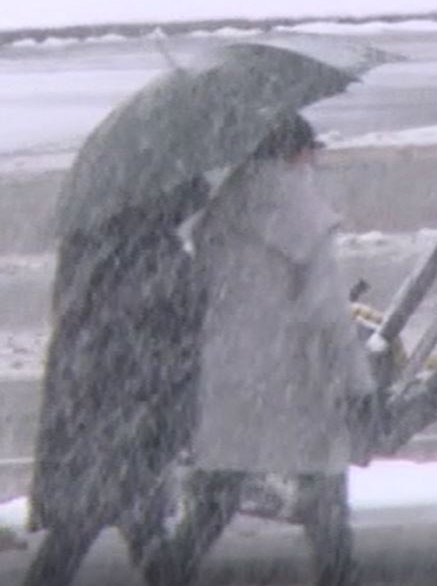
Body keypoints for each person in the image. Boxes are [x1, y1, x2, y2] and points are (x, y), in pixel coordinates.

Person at [165, 111, 375, 586]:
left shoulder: (223, 209)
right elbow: (326, 311)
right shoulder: (302, 211)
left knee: (217, 491)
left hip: (229, 369)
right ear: (295, 153)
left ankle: (169, 572)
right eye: (312, 151)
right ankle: (339, 576)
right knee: (324, 490)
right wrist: (357, 382)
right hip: (292, 374)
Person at [25, 176, 210, 586]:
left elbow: (76, 321)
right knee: (133, 521)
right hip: (136, 409)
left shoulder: (86, 248)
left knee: (86, 523)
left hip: (84, 405)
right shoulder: (162, 259)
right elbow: (183, 335)